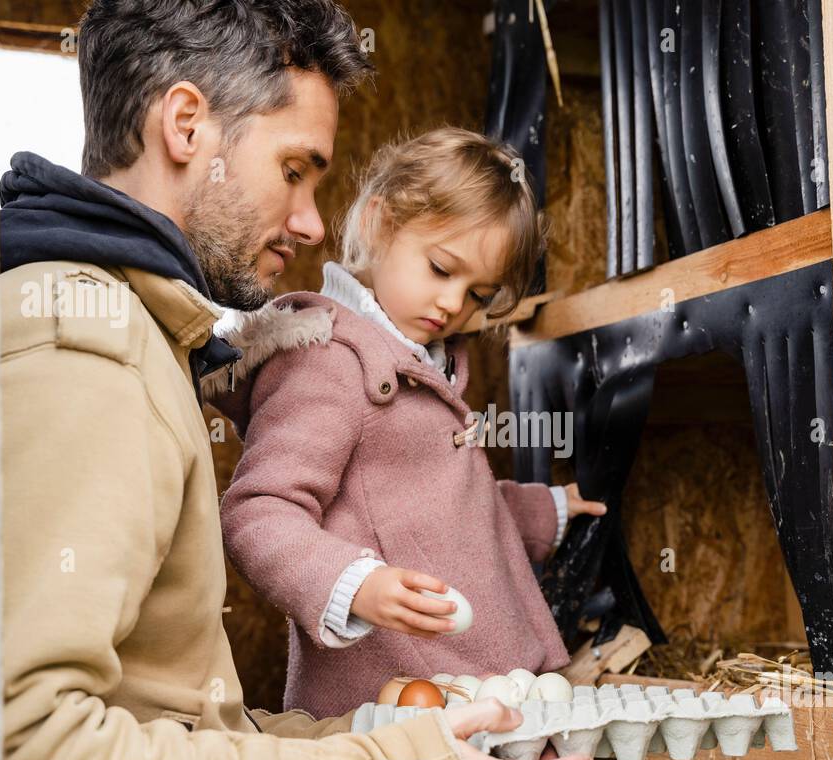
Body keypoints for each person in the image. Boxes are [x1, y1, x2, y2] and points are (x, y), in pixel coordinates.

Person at [0, 0, 591, 760]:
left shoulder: (138, 335)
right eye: (296, 170)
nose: (315, 223)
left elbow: (171, 727)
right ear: (187, 125)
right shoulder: (85, 353)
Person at [213, 127, 607, 720]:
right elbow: (258, 511)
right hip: (395, 693)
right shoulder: (330, 360)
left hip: (470, 691)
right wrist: (354, 586)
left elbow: (429, 508)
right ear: (378, 223)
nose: (453, 305)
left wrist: (540, 510)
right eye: (441, 268)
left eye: (479, 293)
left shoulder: (424, 361)